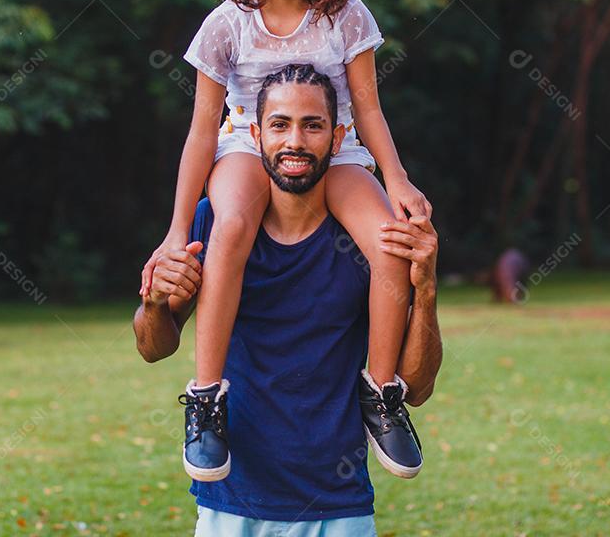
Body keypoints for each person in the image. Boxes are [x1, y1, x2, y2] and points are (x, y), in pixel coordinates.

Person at [138, 0, 431, 483]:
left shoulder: (346, 18)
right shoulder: (226, 24)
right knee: (234, 225)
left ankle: (379, 392)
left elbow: (369, 109)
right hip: (248, 144)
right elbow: (201, 131)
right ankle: (207, 397)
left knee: (388, 244)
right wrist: (172, 231)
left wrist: (398, 180)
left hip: (338, 148)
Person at [133, 66, 443, 535]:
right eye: (279, 125)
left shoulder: (371, 236)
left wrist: (426, 289)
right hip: (231, 501)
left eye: (312, 125)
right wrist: (155, 302)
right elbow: (153, 347)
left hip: (339, 504)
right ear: (254, 135)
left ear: (339, 139)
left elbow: (415, 389)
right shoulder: (213, 222)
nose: (294, 141)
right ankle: (206, 401)